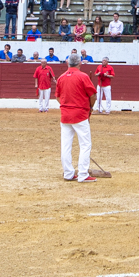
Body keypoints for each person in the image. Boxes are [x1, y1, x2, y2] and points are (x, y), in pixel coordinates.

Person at [57, 52, 98, 183]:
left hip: (65, 115)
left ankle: (68, 173)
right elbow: (92, 95)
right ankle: (83, 174)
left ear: (68, 63)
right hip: (80, 114)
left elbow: (58, 96)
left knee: (66, 145)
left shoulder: (61, 77)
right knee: (85, 144)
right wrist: (90, 107)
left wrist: (66, 104)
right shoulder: (83, 76)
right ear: (80, 63)